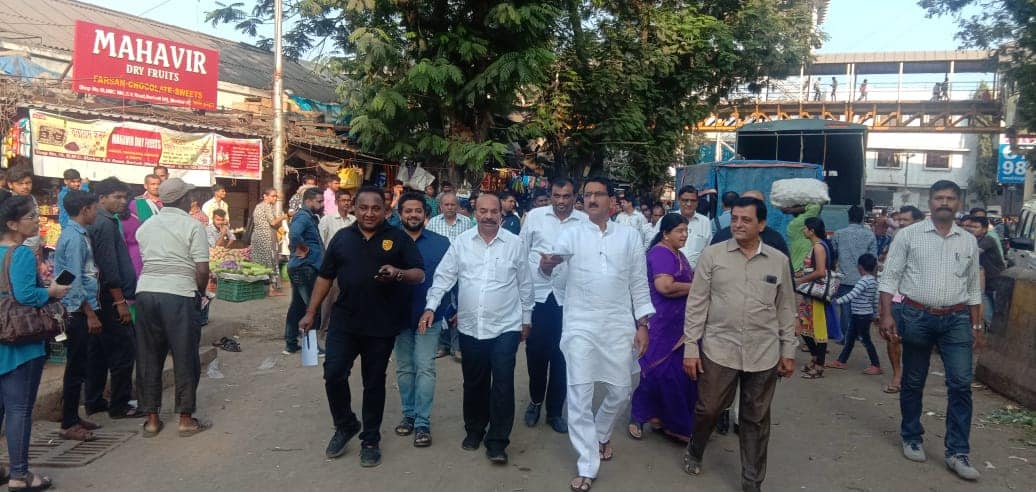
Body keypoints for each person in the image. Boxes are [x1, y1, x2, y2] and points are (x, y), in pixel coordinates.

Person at [299, 186, 425, 468]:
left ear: (386, 211)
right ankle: (345, 424)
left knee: (373, 382)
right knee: (333, 374)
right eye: (363, 207)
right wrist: (310, 312)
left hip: (381, 325)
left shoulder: (398, 238)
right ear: (353, 208)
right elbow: (325, 277)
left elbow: (418, 274)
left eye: (375, 208)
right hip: (344, 321)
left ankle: (370, 439)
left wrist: (398, 273)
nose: (369, 213)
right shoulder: (342, 238)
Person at [542, 178, 653, 492]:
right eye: (587, 195)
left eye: (598, 194)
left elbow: (639, 282)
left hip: (618, 324)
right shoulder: (571, 234)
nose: (591, 199)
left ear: (612, 201)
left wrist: (643, 324)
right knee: (579, 394)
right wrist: (548, 266)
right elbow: (552, 270)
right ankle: (587, 464)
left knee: (620, 390)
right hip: (579, 323)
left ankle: (602, 431)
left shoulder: (629, 236)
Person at [681, 197, 797, 492]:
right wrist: (691, 347)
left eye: (746, 220)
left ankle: (752, 481)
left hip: (763, 352)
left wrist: (788, 350)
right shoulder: (713, 255)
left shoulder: (778, 261)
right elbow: (697, 303)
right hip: (719, 348)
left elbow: (786, 308)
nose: (738, 225)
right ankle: (696, 447)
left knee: (755, 418)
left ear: (761, 224)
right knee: (709, 408)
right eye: (734, 219)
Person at [878, 180, 983, 481]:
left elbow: (973, 287)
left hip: (957, 319)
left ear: (958, 203)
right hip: (916, 316)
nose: (944, 203)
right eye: (939, 197)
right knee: (914, 380)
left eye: (950, 198)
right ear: (931, 202)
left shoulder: (968, 241)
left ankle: (957, 452)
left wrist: (977, 324)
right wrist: (886, 315)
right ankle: (911, 436)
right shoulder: (908, 235)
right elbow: (889, 277)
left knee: (961, 384)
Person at [421, 194, 533, 464]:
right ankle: (474, 430)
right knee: (474, 382)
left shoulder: (515, 244)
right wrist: (431, 306)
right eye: (483, 211)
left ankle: (497, 442)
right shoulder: (461, 243)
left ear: (501, 214)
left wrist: (526, 319)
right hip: (471, 326)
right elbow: (444, 277)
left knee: (503, 383)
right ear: (475, 213)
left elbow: (525, 284)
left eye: (494, 211)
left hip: (506, 326)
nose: (488, 216)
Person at [0, 194, 70, 491]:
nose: (37, 222)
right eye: (31, 217)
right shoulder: (21, 254)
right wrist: (52, 292)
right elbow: (26, 296)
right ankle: (19, 475)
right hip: (20, 342)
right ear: (12, 224)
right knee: (19, 410)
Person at [135, 179, 211, 439]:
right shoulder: (193, 226)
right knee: (185, 355)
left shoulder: (146, 227)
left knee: (148, 356)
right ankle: (185, 419)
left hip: (146, 292)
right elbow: (202, 269)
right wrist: (200, 293)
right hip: (179, 294)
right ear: (184, 199)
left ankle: (151, 419)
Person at [519, 177, 587, 434]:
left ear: (575, 197)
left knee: (564, 357)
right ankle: (536, 401)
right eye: (557, 196)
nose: (561, 201)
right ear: (550, 195)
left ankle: (555, 411)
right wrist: (539, 268)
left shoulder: (584, 222)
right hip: (538, 297)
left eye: (567, 196)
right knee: (536, 354)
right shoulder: (535, 217)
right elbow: (521, 253)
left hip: (570, 300)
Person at [629, 213, 696, 442]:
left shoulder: (678, 253)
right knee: (656, 372)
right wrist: (698, 286)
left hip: (679, 325)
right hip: (660, 322)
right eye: (679, 231)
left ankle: (665, 420)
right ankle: (638, 415)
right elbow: (665, 287)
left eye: (686, 231)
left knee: (676, 375)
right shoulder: (660, 253)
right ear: (666, 234)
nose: (684, 235)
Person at [392, 193, 450, 447]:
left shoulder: (441, 243)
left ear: (426, 214)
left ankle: (423, 422)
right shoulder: (389, 241)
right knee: (405, 368)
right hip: (398, 316)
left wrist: (449, 310)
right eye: (408, 211)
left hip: (430, 315)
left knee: (425, 367)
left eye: (418, 211)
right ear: (400, 214)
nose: (413, 215)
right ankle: (409, 414)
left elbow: (450, 278)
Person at [84, 178, 140, 420]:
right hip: (110, 298)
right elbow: (108, 267)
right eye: (117, 197)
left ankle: (94, 401)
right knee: (124, 351)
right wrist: (120, 302)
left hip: (100, 297)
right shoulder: (104, 224)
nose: (123, 201)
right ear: (102, 198)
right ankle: (120, 404)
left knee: (98, 352)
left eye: (124, 197)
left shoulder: (101, 221)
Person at [55, 190, 102, 442]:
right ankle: (68, 422)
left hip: (80, 307)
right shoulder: (74, 238)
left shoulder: (78, 234)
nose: (96, 213)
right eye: (94, 208)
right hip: (76, 311)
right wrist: (89, 313)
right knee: (75, 367)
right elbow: (72, 279)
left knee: (80, 365)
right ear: (85, 210)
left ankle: (72, 416)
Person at [882, 205, 925, 395]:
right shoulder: (897, 240)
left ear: (918, 221)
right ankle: (897, 375)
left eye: (904, 220)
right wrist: (883, 309)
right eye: (899, 220)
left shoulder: (928, 242)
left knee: (915, 343)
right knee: (892, 339)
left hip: (919, 301)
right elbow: (888, 274)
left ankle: (911, 376)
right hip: (897, 299)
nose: (900, 223)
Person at [427, 191, 475, 359]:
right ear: (440, 206)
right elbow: (429, 245)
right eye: (446, 204)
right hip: (440, 272)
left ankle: (457, 346)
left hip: (462, 272)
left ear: (458, 206)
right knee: (440, 305)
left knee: (459, 307)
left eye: (453, 204)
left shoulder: (467, 222)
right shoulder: (433, 222)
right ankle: (442, 345)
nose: (449, 207)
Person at [796, 217, 842, 379]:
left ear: (812, 231)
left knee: (818, 329)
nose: (803, 230)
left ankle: (819, 365)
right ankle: (815, 358)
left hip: (816, 295)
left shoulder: (818, 247)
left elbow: (821, 272)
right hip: (811, 294)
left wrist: (801, 280)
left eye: (805, 228)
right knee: (805, 327)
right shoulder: (820, 245)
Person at [282, 188, 324, 355]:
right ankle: (311, 348)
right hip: (305, 267)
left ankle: (291, 344)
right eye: (319, 201)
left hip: (302, 267)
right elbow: (294, 235)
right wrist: (303, 249)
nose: (321, 204)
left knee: (297, 306)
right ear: (308, 201)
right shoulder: (302, 216)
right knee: (311, 308)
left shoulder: (308, 217)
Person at [827, 253, 882, 374]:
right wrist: (875, 314)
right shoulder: (873, 282)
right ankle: (841, 361)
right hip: (863, 315)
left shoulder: (863, 281)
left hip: (860, 316)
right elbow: (875, 300)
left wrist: (836, 301)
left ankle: (876, 364)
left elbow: (852, 295)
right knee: (850, 339)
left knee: (865, 340)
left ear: (860, 267)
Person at [832, 205, 877, 334]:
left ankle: (846, 335)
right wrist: (873, 279)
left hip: (844, 278)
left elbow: (834, 254)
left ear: (849, 217)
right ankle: (859, 334)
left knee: (845, 309)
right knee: (861, 307)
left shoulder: (838, 234)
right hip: (863, 279)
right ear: (862, 218)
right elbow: (874, 259)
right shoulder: (870, 235)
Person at [317, 190, 356, 338]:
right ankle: (322, 331)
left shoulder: (354, 220)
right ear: (336, 202)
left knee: (348, 298)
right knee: (328, 300)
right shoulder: (327, 220)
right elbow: (321, 243)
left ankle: (344, 329)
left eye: (348, 200)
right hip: (333, 266)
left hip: (351, 266)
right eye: (343, 200)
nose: (346, 203)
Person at [962, 215, 1005, 327]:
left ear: (984, 229)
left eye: (976, 227)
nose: (972, 229)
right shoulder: (974, 239)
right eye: (971, 227)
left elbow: (973, 254)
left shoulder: (988, 240)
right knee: (987, 310)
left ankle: (994, 331)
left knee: (995, 309)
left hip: (995, 281)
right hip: (984, 282)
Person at [660, 186, 712, 268]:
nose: (689, 204)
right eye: (685, 200)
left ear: (697, 202)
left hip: (695, 273)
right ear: (679, 200)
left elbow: (708, 249)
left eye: (693, 200)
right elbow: (657, 245)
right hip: (669, 271)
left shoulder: (705, 222)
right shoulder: (667, 219)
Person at [251, 188, 288, 296]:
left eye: (276, 196)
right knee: (271, 261)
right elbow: (273, 222)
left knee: (260, 262)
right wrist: (284, 216)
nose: (275, 198)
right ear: (265, 196)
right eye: (272, 196)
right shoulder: (266, 206)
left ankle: (256, 288)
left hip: (257, 237)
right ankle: (272, 289)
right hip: (266, 237)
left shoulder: (259, 206)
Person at [123, 174, 163, 276]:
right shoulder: (137, 203)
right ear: (145, 186)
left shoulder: (166, 201)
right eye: (153, 184)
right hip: (137, 250)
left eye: (158, 184)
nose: (156, 187)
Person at [5, 163, 40, 253]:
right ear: (10, 184)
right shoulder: (7, 203)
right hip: (15, 251)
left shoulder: (31, 198)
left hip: (33, 248)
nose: (25, 187)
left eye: (28, 183)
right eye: (20, 183)